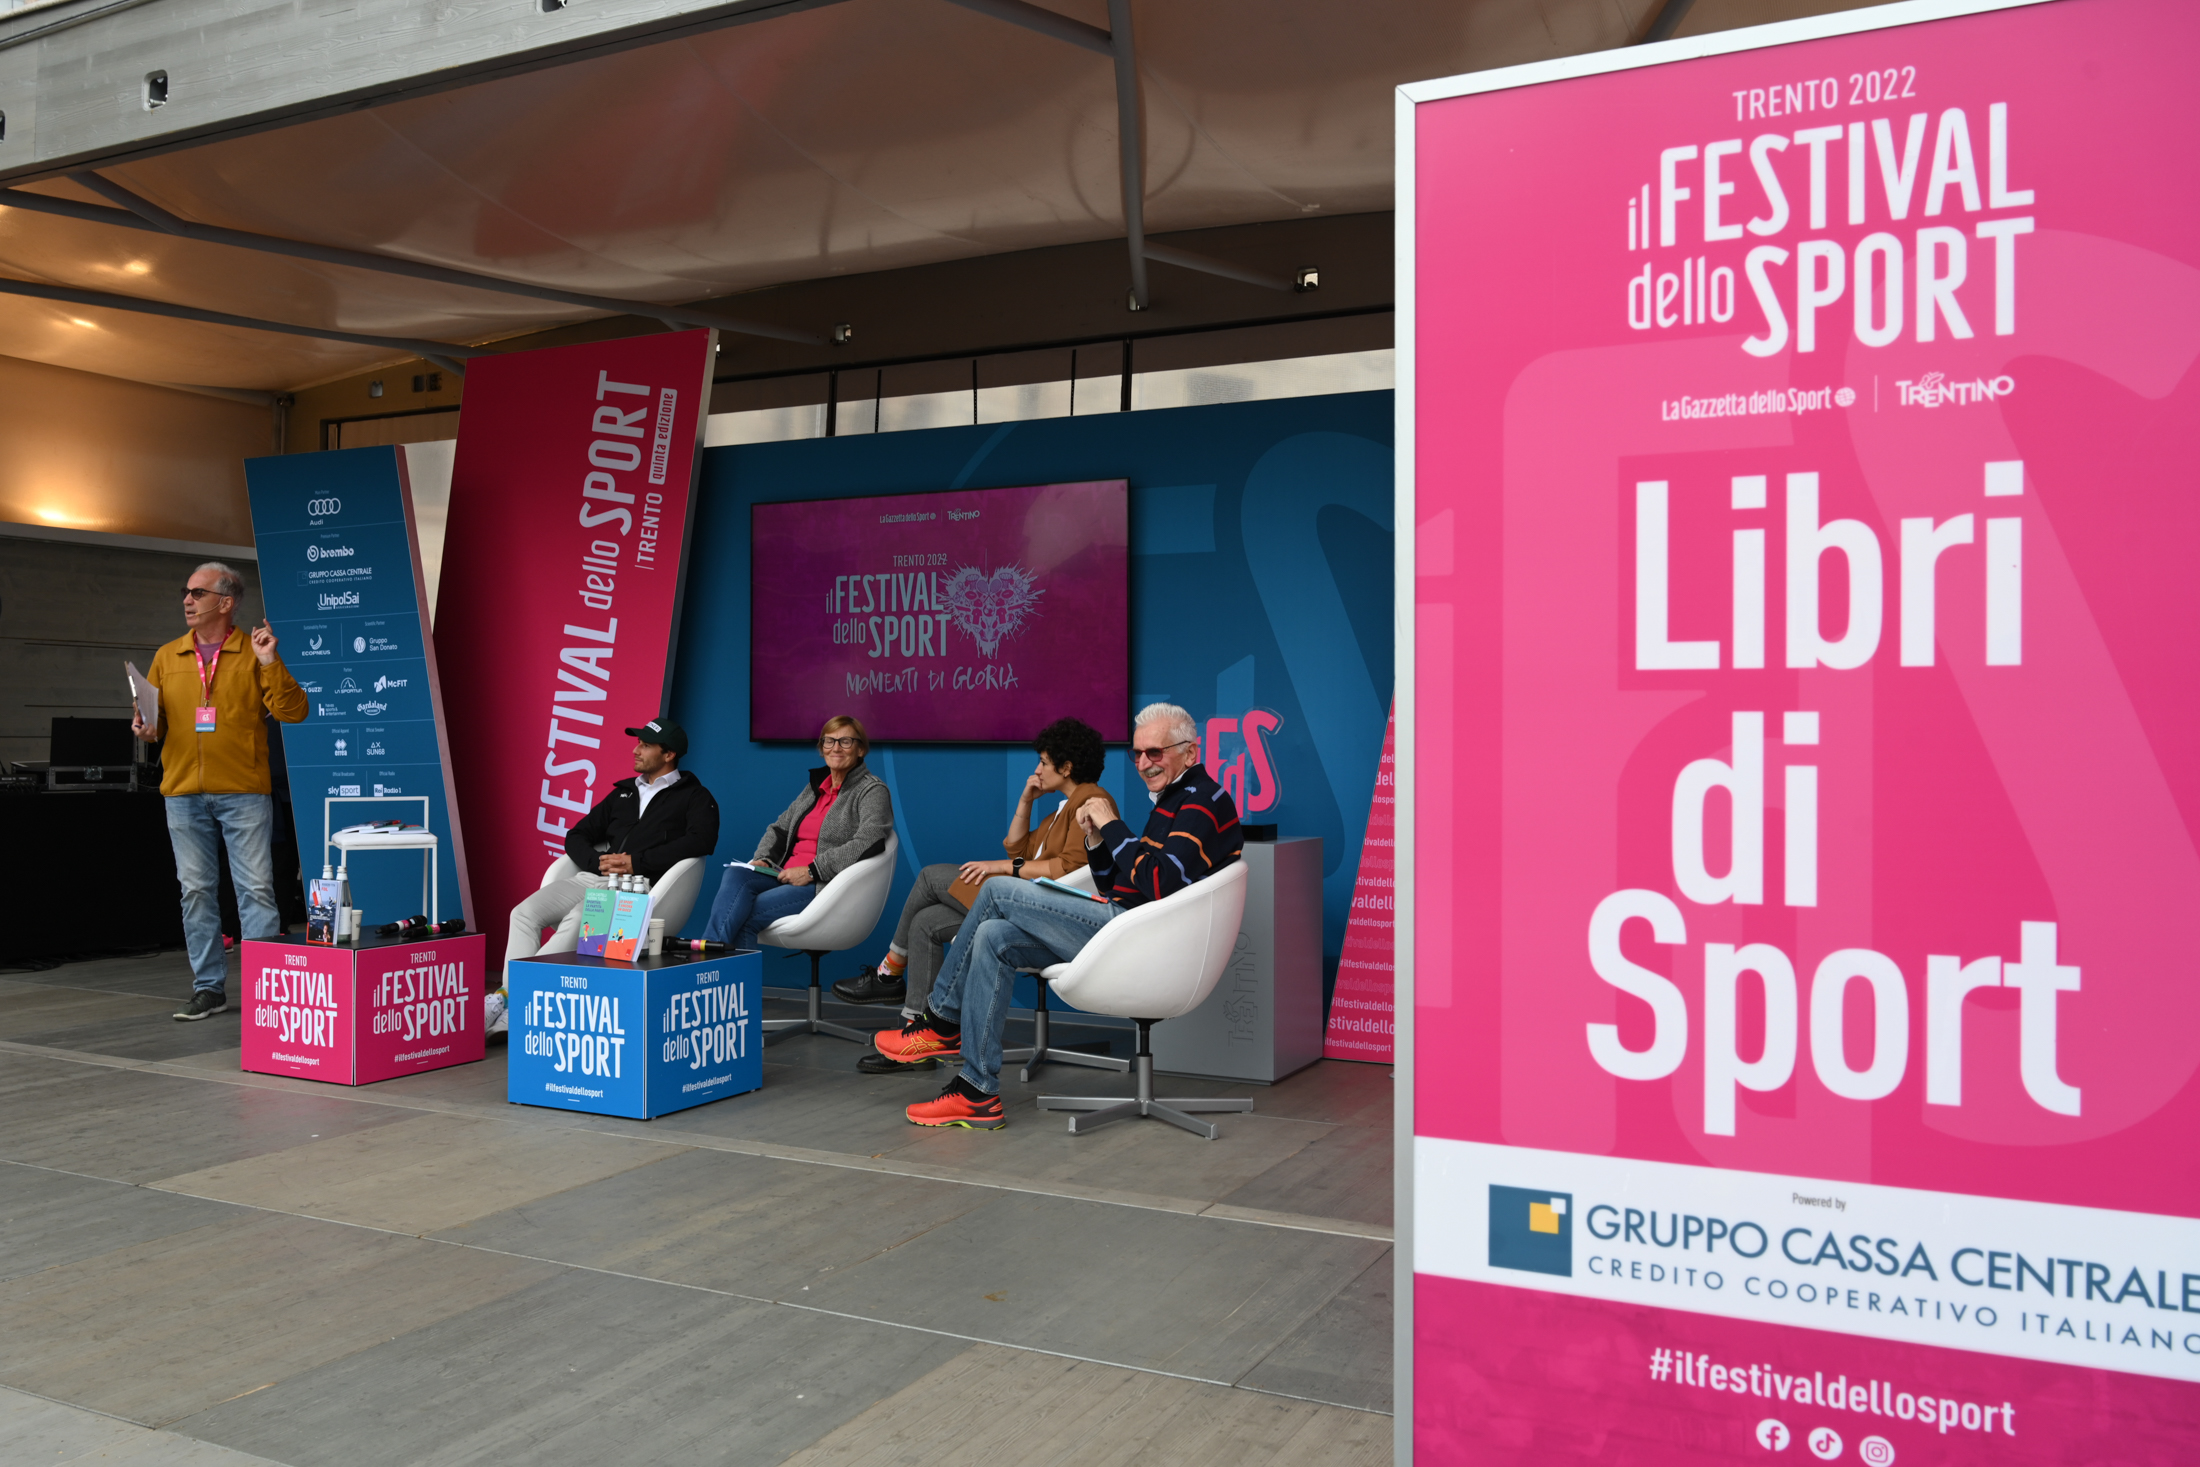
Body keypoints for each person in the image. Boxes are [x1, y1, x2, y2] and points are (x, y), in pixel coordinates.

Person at [873, 703, 1241, 1128]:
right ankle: (976, 1092)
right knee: (993, 935)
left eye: (1155, 753)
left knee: (993, 888)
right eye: (1137, 754)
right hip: (1124, 924)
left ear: (1191, 753)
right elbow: (1114, 881)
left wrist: (1114, 827)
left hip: (1138, 938)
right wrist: (1097, 841)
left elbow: (1160, 882)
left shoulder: (1201, 802)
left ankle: (939, 1021)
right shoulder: (1175, 799)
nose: (1143, 764)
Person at [837, 717, 1109, 1075]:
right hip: (1024, 898)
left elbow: (1065, 869)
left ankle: (890, 972)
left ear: (1066, 766)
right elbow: (1016, 846)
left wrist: (999, 868)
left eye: (1043, 762)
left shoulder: (1091, 800)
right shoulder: (1061, 809)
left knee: (930, 876)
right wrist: (1026, 800)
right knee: (925, 922)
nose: (1037, 770)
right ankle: (914, 1037)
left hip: (1033, 908)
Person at [135, 561, 309, 1021]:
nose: (187, 600)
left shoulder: (255, 652)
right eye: (185, 592)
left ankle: (267, 992)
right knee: (195, 891)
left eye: (197, 592)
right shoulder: (167, 655)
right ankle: (209, 988)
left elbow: (294, 713)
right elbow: (157, 725)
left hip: (243, 791)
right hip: (183, 792)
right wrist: (145, 728)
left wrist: (271, 660)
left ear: (226, 602)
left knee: (255, 890)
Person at [487, 718, 719, 1034]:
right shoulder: (624, 793)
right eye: (638, 743)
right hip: (594, 878)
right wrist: (597, 862)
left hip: (639, 888)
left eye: (645, 745)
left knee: (581, 918)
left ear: (669, 755)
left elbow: (701, 841)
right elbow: (577, 834)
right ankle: (510, 997)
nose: (636, 750)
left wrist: (636, 863)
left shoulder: (694, 796)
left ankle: (522, 1002)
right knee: (523, 914)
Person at [701, 714, 894, 950]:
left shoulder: (872, 791)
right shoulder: (816, 788)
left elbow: (869, 840)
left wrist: (813, 870)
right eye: (829, 741)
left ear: (860, 749)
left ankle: (710, 963)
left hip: (823, 885)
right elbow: (780, 828)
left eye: (846, 741)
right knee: (735, 874)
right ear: (822, 748)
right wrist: (764, 859)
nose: (836, 748)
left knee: (744, 915)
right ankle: (711, 958)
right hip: (783, 874)